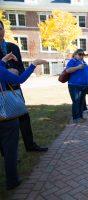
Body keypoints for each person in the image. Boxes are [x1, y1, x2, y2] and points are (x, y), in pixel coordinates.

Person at [0, 52, 47, 190]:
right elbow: (19, 80)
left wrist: (3, 60)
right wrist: (33, 65)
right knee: (10, 149)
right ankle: (12, 181)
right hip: (5, 117)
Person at [0, 20, 48, 152]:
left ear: (4, 29)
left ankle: (30, 145)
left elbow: (20, 67)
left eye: (0, 28)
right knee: (4, 119)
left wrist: (16, 73)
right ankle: (7, 153)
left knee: (24, 116)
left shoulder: (12, 47)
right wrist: (8, 72)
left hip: (15, 88)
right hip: (2, 90)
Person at [66, 49, 88, 123]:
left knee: (81, 102)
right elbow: (68, 70)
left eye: (82, 55)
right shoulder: (73, 61)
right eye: (80, 54)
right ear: (75, 54)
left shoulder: (83, 62)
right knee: (76, 101)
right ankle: (75, 118)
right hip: (74, 85)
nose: (81, 56)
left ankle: (80, 117)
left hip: (83, 85)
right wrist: (78, 67)